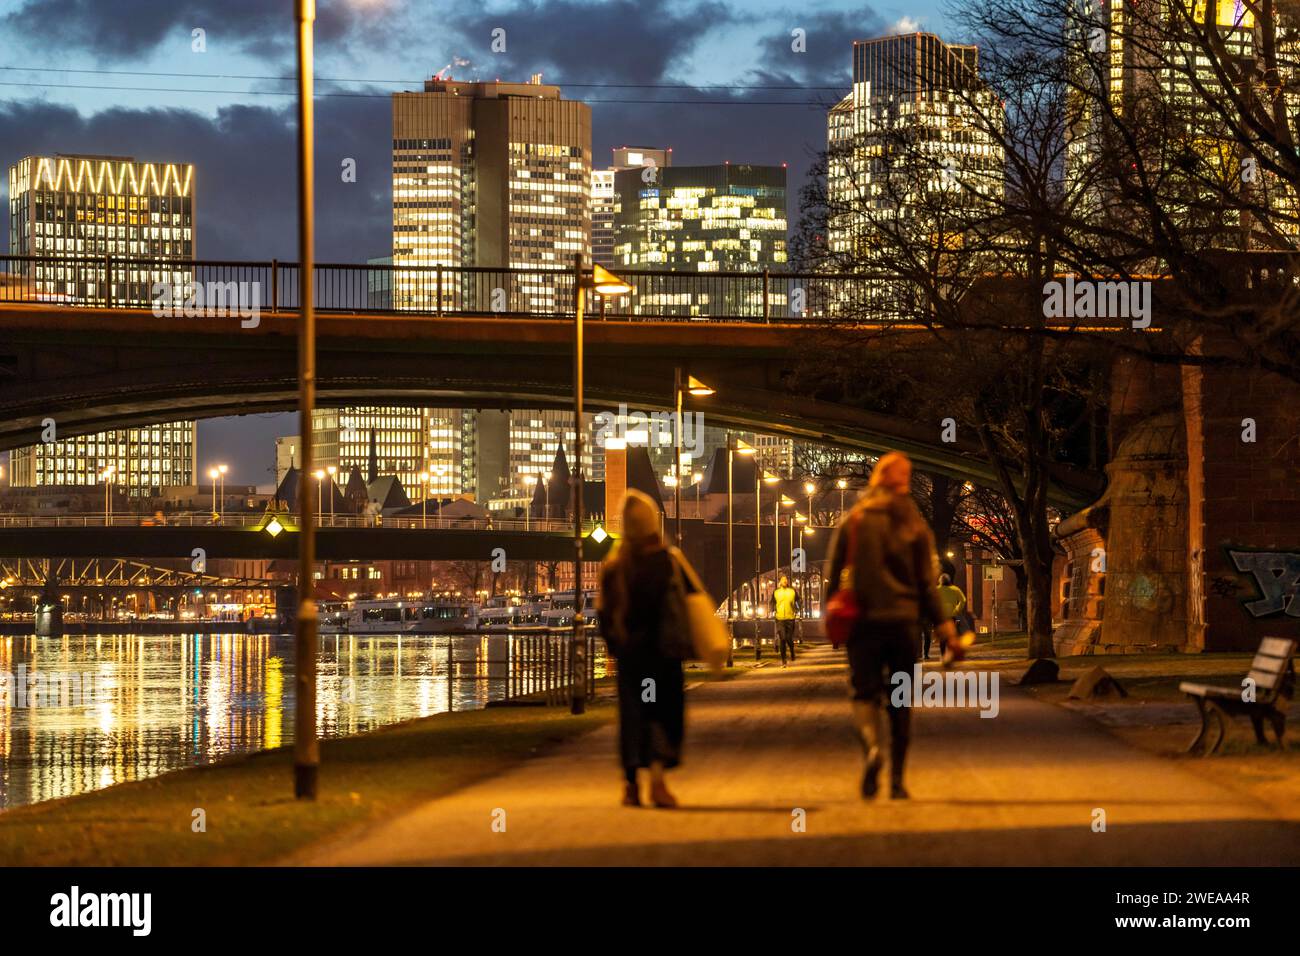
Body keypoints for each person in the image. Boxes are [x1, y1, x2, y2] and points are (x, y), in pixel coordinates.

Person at [825, 452, 956, 800]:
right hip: (903, 626)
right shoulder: (914, 526)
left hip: (863, 625)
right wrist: (944, 628)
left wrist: (833, 616)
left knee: (864, 694)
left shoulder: (853, 521)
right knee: (900, 702)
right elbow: (928, 585)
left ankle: (872, 749)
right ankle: (897, 781)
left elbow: (832, 578)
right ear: (904, 484)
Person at [597, 489, 698, 809]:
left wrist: (615, 646)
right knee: (662, 714)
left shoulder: (613, 567)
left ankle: (630, 785)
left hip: (630, 656)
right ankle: (657, 781)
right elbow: (692, 600)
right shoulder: (667, 561)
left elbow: (604, 613)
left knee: (633, 716)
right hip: (663, 654)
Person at [930, 574, 967, 661]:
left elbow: (932, 601)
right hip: (951, 615)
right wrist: (957, 610)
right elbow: (963, 600)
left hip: (941, 616)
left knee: (943, 637)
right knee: (951, 636)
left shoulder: (936, 590)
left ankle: (943, 655)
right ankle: (950, 654)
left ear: (940, 581)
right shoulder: (955, 589)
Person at [770, 575, 801, 666]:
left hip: (790, 618)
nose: (784, 581)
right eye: (783, 580)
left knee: (788, 638)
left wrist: (797, 609)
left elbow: (798, 601)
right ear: (780, 582)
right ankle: (783, 660)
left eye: (785, 580)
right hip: (779, 619)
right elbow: (772, 602)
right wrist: (772, 610)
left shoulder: (792, 591)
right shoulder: (776, 592)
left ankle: (792, 651)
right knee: (782, 639)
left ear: (787, 582)